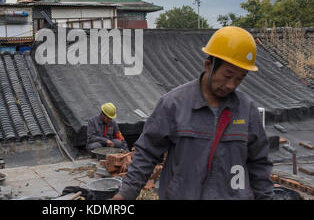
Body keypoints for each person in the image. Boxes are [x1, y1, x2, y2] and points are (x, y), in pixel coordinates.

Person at [112, 26, 274, 200]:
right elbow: (147, 152)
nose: (231, 85)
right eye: (227, 76)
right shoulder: (174, 105)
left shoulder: (246, 109)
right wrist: (125, 194)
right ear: (208, 65)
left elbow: (259, 164)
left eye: (240, 78)